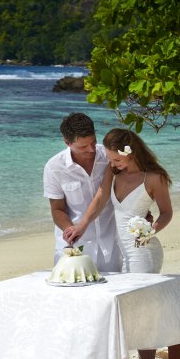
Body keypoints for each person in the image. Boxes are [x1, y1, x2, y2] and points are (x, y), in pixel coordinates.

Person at [69, 128, 180, 359]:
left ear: (130, 152)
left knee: (143, 313)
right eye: (110, 159)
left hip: (143, 251)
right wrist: (82, 225)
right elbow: (100, 199)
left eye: (116, 159)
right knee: (140, 312)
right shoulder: (113, 172)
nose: (112, 163)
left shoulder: (153, 178)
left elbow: (166, 213)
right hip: (120, 252)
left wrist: (150, 231)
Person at [42, 113, 121, 271]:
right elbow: (57, 210)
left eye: (93, 142)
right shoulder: (54, 167)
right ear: (67, 143)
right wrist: (71, 231)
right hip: (75, 247)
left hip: (111, 245)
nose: (91, 149)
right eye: (83, 147)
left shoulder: (109, 156)